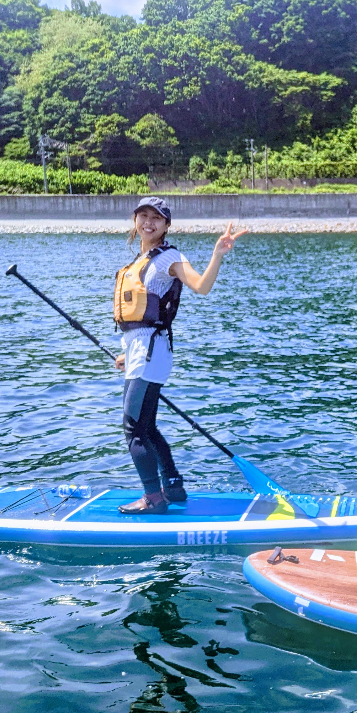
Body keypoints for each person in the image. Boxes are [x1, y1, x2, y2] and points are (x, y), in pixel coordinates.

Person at [112, 196, 245, 514]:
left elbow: (201, 286)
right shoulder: (140, 261)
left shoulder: (168, 258)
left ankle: (153, 498)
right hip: (141, 351)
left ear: (166, 225)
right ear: (135, 220)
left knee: (133, 429)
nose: (148, 222)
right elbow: (140, 319)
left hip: (150, 352)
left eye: (156, 218)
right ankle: (173, 486)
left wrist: (217, 255)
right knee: (146, 427)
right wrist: (126, 353)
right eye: (143, 216)